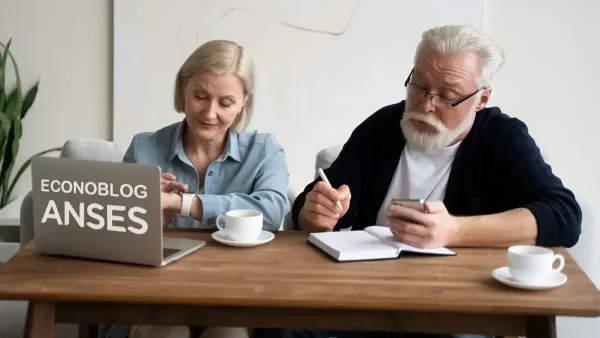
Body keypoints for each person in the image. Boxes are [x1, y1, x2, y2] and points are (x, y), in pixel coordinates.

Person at [254, 24, 581, 338]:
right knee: (279, 326)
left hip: (455, 304)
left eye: (448, 95)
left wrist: (454, 231)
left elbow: (564, 215)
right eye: (419, 86)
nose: (426, 105)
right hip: (363, 298)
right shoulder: (385, 125)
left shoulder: (502, 139)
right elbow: (320, 196)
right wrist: (312, 212)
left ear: (481, 99)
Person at [100, 40, 290, 338]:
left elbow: (271, 210)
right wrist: (152, 218)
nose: (210, 113)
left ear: (244, 104)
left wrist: (180, 205)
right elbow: (113, 236)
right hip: (155, 298)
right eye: (200, 96)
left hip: (237, 297)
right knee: (165, 331)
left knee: (228, 333)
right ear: (183, 89)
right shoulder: (144, 148)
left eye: (226, 103)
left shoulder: (264, 149)